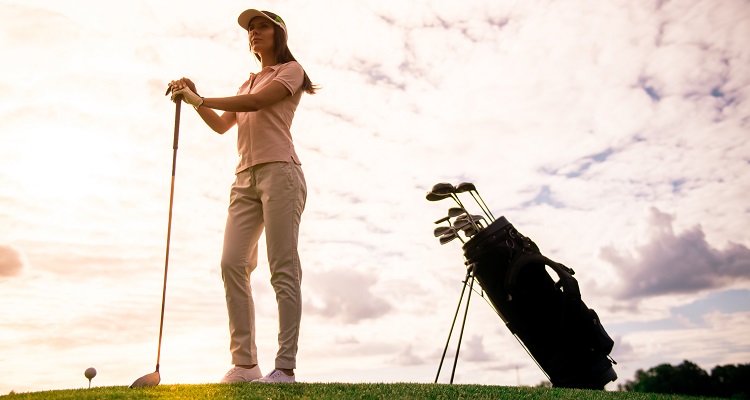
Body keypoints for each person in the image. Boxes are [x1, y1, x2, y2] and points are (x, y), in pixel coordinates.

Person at [168, 9, 317, 384]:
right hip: (243, 178)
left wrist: (199, 99)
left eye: (262, 25)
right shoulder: (245, 83)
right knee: (231, 263)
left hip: (280, 172)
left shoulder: (291, 71)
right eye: (251, 28)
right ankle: (246, 364)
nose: (254, 32)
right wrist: (194, 98)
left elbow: (256, 105)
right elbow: (221, 125)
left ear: (279, 32)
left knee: (282, 267)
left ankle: (284, 367)